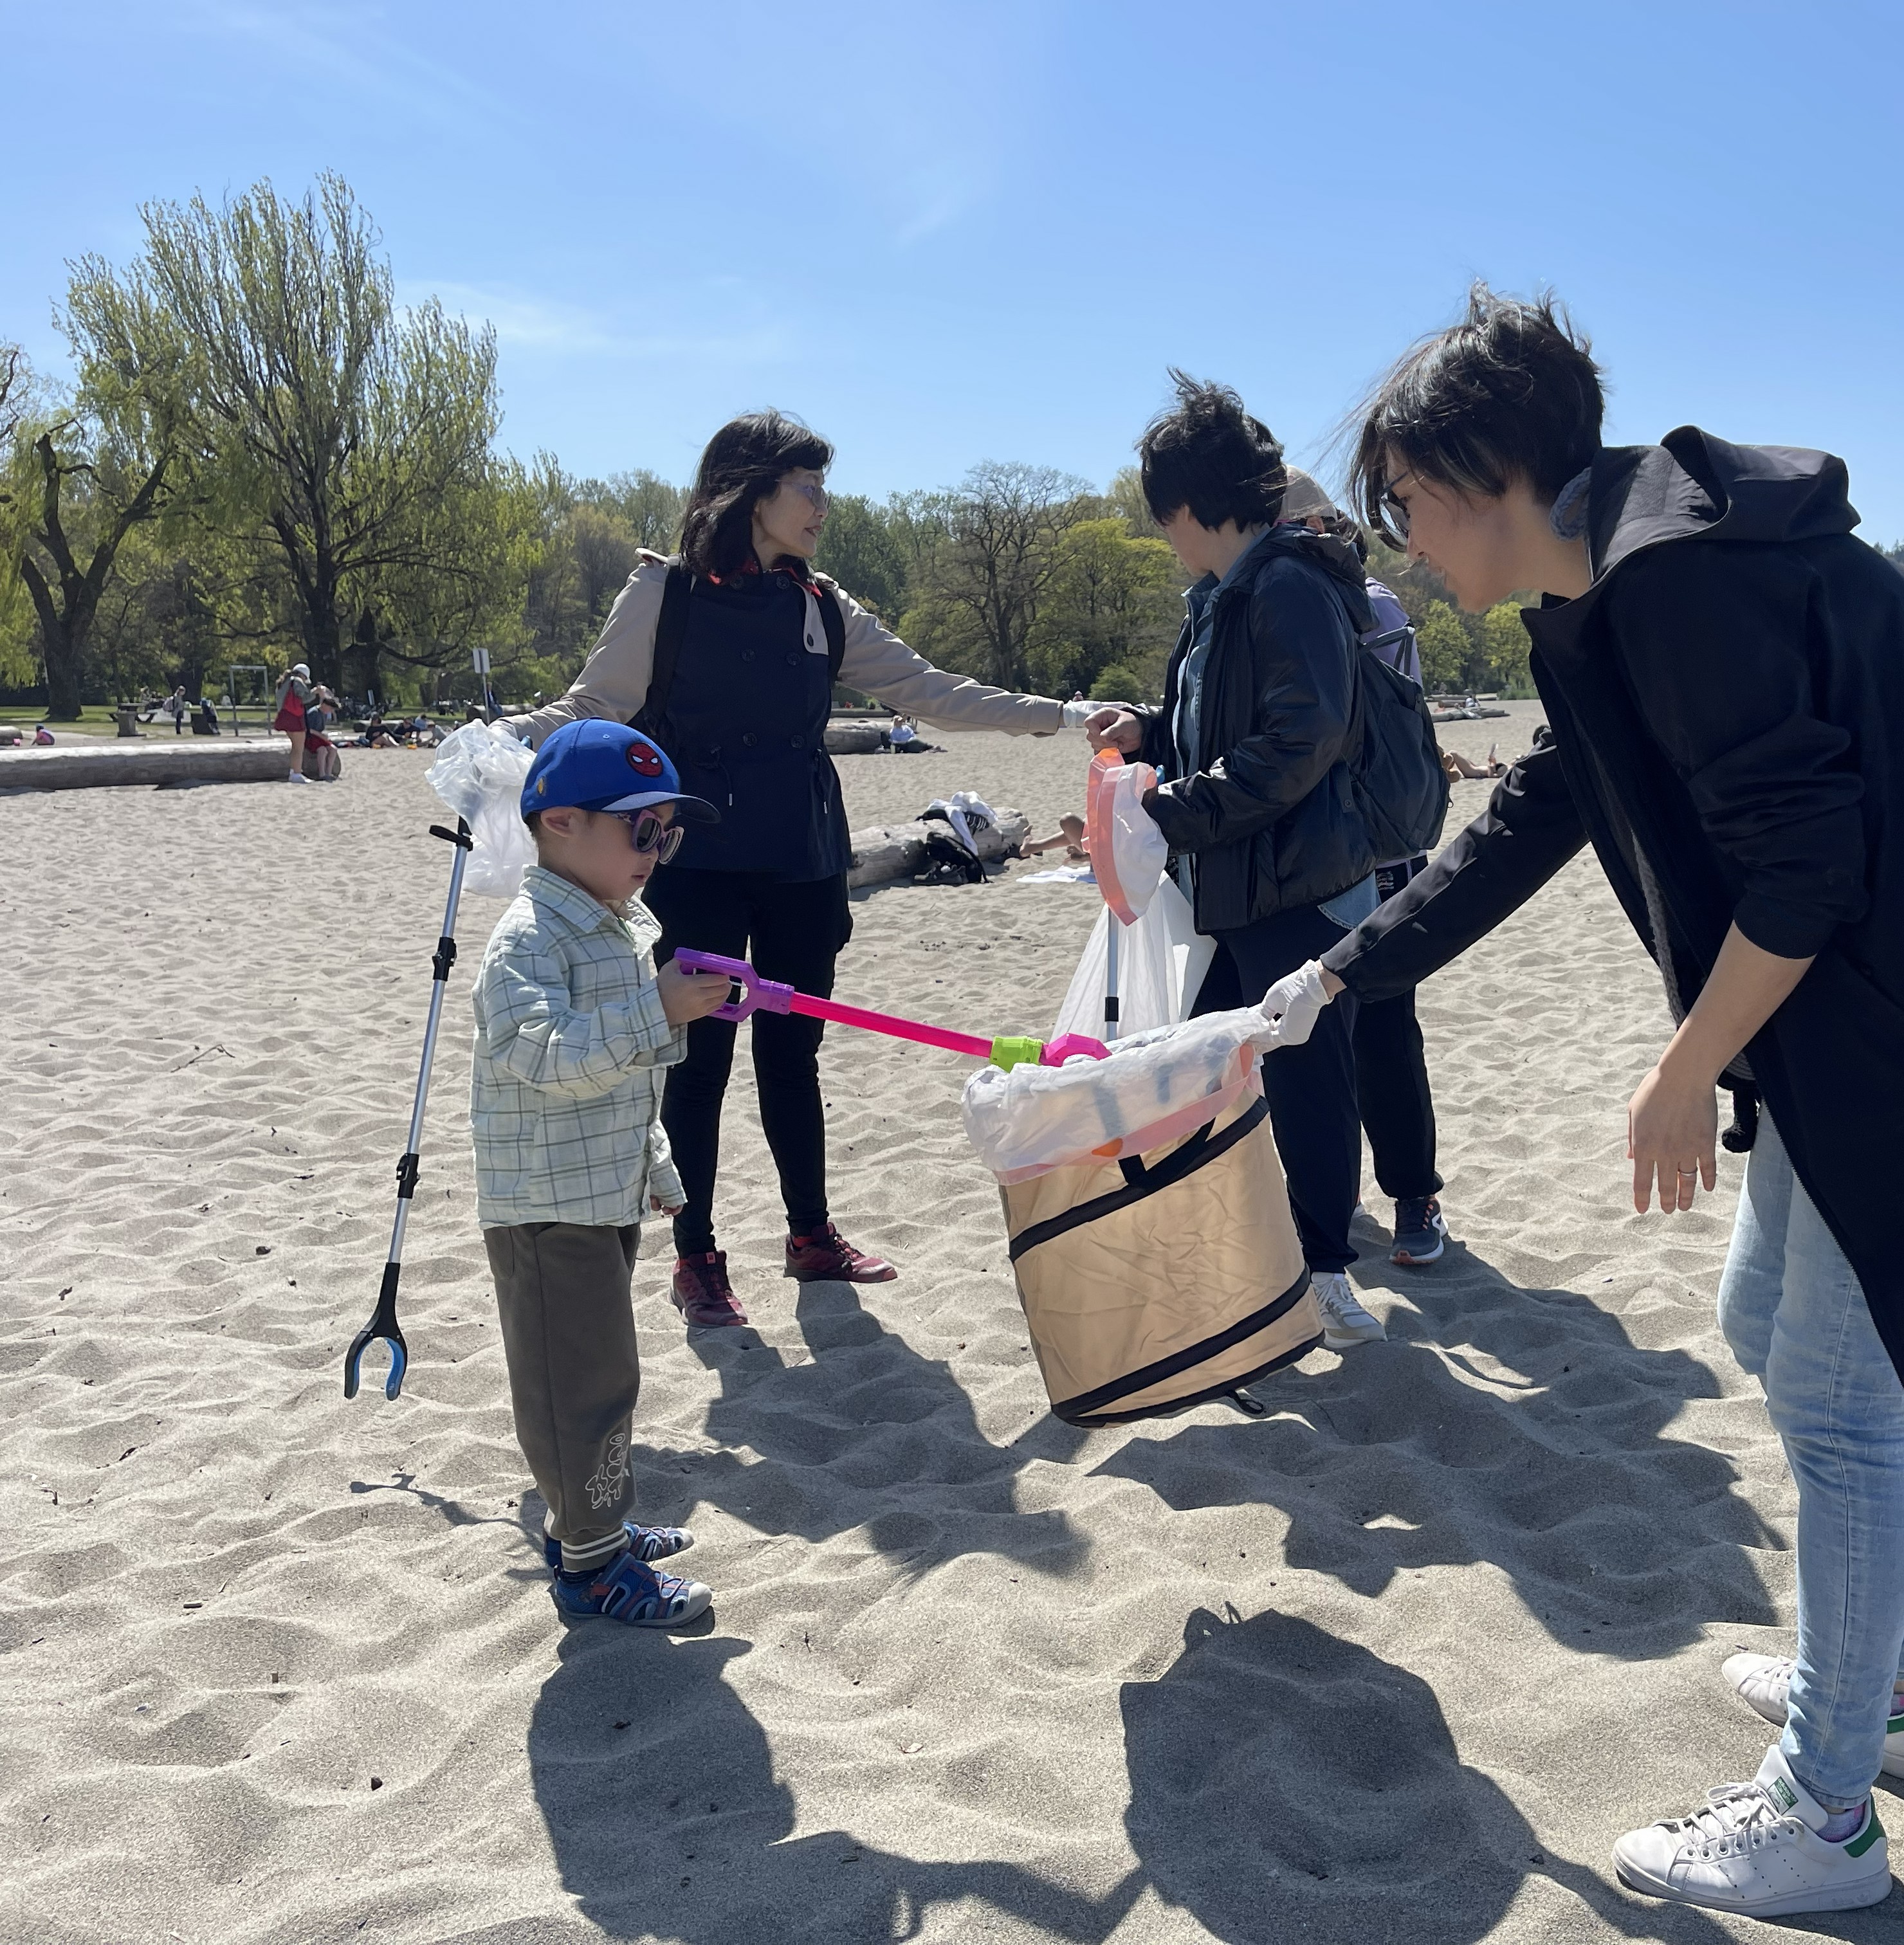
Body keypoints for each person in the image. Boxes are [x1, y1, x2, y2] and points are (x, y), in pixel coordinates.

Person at [1259, 289, 1904, 1916]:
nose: (1400, 547)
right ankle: (1891, 1701)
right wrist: (1341, 976)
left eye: (1405, 508)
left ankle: (1826, 1814)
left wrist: (1678, 1076)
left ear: (1483, 472)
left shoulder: (1683, 583)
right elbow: (1538, 810)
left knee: (1835, 1397)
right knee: (1767, 1328)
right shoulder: (1605, 582)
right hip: (1863, 996)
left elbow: (1810, 867)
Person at [500, 410, 1106, 1330]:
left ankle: (810, 1235)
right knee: (696, 1062)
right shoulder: (663, 592)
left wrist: (1063, 716)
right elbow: (595, 703)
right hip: (691, 864)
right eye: (807, 487)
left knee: (795, 1052)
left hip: (800, 863)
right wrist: (502, 741)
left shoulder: (823, 605)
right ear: (748, 490)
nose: (824, 504)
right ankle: (697, 1255)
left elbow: (931, 692)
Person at [1084, 376, 1387, 1348]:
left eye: (1164, 517)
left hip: (1299, 883)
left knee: (1305, 1081)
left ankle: (1327, 1277)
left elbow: (1301, 741)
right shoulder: (1223, 596)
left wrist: (1175, 811)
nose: (1165, 535)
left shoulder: (1289, 582)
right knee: (1216, 1071)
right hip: (1234, 885)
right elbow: (1221, 731)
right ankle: (1261, 1266)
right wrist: (1152, 738)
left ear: (1188, 506)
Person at [470, 719, 737, 1625]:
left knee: (597, 1371)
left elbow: (630, 1085)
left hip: (598, 1191)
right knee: (581, 1384)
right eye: (640, 830)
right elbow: (545, 1056)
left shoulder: (618, 927)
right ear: (560, 824)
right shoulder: (527, 942)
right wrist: (658, 1006)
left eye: (669, 832)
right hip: (545, 1205)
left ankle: (593, 1527)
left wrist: (652, 1167)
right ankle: (590, 1567)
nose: (657, 851)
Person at [1279, 466, 1452, 1268]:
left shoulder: (1355, 604)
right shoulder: (1349, 599)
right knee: (1350, 1026)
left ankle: (1406, 1191)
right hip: (1355, 847)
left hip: (1365, 847)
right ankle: (1377, 1192)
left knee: (1369, 1021)